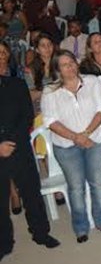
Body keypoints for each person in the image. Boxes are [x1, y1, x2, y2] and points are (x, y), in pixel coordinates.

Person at [40, 51, 101, 244]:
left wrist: (86, 134)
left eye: (72, 62)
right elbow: (50, 121)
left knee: (97, 182)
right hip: (66, 146)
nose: (70, 67)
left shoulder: (92, 81)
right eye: (64, 65)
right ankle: (81, 227)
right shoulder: (50, 91)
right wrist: (76, 137)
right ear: (58, 69)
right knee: (76, 187)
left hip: (95, 139)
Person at [0, 42, 61, 259]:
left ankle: (41, 233)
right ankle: (4, 243)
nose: (2, 57)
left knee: (31, 192)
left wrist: (12, 142)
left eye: (4, 54)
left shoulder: (16, 84)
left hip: (19, 146)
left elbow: (27, 114)